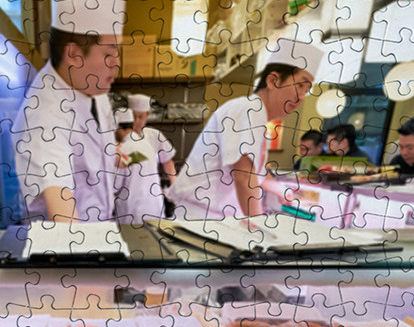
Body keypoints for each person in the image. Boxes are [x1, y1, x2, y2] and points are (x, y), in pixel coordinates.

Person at [168, 37, 323, 220]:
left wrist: (281, 190)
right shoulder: (249, 110)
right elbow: (244, 177)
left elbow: (257, 172)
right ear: (273, 81)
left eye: (307, 90)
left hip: (215, 219)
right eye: (300, 85)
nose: (302, 97)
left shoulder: (257, 117)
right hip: (203, 219)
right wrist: (258, 224)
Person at [12, 0, 126, 223]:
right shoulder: (44, 113)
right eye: (108, 53)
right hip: (64, 241)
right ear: (73, 54)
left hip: (100, 230)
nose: (117, 63)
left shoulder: (94, 90)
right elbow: (62, 213)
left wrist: (111, 153)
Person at [112, 94, 177, 223]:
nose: (137, 121)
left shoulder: (125, 148)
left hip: (133, 209)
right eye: (134, 117)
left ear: (117, 127)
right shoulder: (146, 146)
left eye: (141, 117)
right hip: (154, 206)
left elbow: (116, 185)